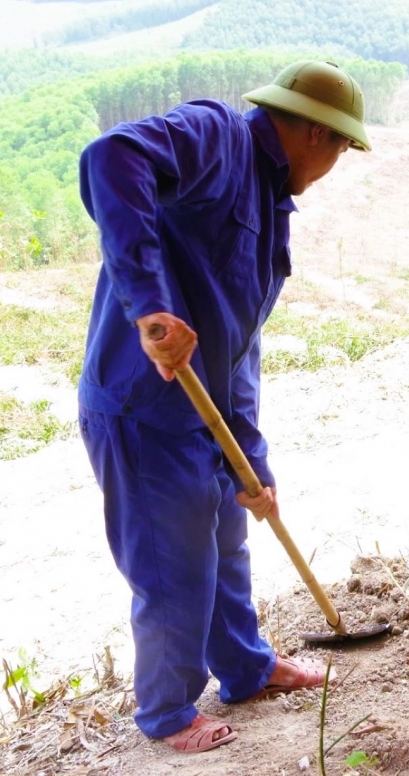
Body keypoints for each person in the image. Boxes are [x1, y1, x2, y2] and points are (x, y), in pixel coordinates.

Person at [76, 60, 371, 753]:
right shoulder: (218, 138)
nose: (332, 167)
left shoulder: (272, 207)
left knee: (225, 546)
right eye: (339, 151)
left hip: (206, 414)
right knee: (171, 562)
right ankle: (169, 712)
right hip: (144, 405)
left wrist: (252, 460)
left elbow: (239, 347)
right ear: (314, 135)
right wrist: (150, 303)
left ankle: (245, 666)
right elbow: (112, 159)